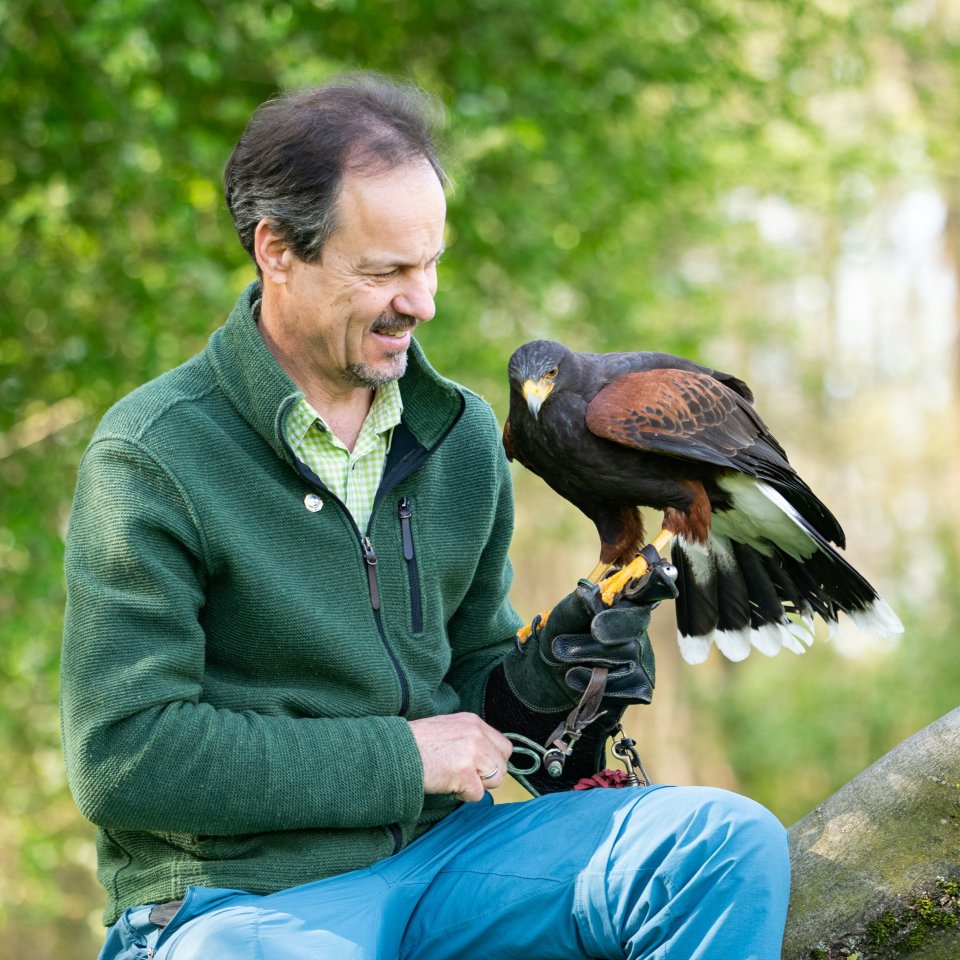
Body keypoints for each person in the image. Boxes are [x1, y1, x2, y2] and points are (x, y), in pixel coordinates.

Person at [61, 73, 791, 960]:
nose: (423, 302)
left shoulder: (462, 436)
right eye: (385, 272)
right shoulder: (155, 455)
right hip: (243, 901)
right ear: (276, 251)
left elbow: (475, 692)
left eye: (431, 262)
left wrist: (556, 680)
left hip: (456, 861)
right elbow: (127, 757)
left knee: (720, 848)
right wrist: (403, 761)